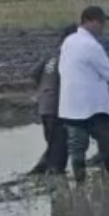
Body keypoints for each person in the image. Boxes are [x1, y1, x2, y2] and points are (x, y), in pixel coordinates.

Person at [59, 6, 109, 182]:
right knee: (108, 145)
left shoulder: (68, 42)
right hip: (93, 107)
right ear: (89, 21)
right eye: (101, 22)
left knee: (77, 148)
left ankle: (79, 185)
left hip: (70, 106)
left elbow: (82, 71)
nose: (103, 27)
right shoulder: (91, 45)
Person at [28, 24, 79, 176]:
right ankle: (57, 185)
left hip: (44, 106)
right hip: (58, 108)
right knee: (60, 149)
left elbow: (33, 75)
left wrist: (43, 91)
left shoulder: (52, 55)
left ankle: (42, 171)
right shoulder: (69, 56)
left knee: (53, 145)